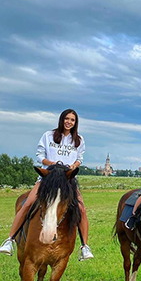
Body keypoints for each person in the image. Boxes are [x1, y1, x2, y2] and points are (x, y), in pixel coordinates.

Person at [0, 109, 94, 260]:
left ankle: (84, 246)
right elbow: (39, 156)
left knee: (81, 210)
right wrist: (51, 163)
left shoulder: (78, 140)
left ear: (75, 123)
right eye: (67, 119)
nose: (69, 122)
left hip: (67, 181)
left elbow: (79, 159)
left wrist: (73, 166)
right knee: (27, 204)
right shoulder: (48, 135)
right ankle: (10, 240)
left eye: (72, 120)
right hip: (48, 178)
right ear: (61, 119)